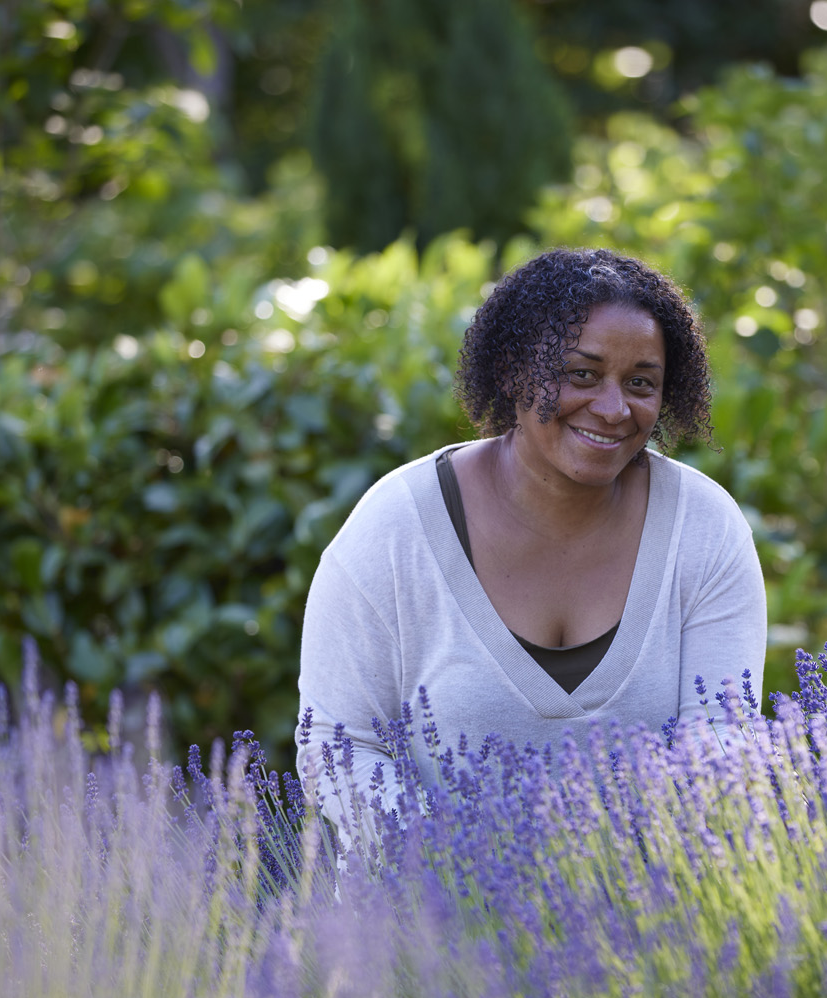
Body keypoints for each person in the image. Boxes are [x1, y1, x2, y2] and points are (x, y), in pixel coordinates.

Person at [296, 247, 766, 832]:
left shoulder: (704, 527)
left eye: (641, 383)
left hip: (646, 888)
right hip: (429, 888)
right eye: (581, 374)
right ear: (513, 369)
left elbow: (722, 735)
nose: (614, 408)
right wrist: (450, 856)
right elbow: (336, 745)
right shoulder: (396, 527)